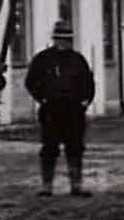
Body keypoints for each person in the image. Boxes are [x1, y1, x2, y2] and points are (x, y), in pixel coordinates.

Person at [25, 18, 96, 197]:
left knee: (75, 148)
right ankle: (47, 186)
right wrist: (42, 98)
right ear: (54, 39)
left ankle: (76, 185)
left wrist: (85, 101)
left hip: (73, 111)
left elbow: (88, 83)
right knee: (49, 147)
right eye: (60, 39)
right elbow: (31, 81)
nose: (63, 43)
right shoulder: (43, 59)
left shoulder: (78, 60)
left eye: (66, 39)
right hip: (51, 110)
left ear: (71, 40)